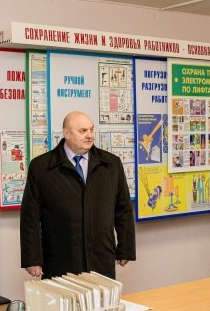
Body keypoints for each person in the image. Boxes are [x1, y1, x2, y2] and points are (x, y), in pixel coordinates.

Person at [20, 110, 136, 279]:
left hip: (101, 257)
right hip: (60, 259)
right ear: (66, 133)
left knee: (101, 296)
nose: (89, 135)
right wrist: (32, 259)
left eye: (91, 130)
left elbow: (123, 209)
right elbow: (30, 217)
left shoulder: (111, 164)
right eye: (83, 131)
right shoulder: (41, 167)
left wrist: (126, 248)